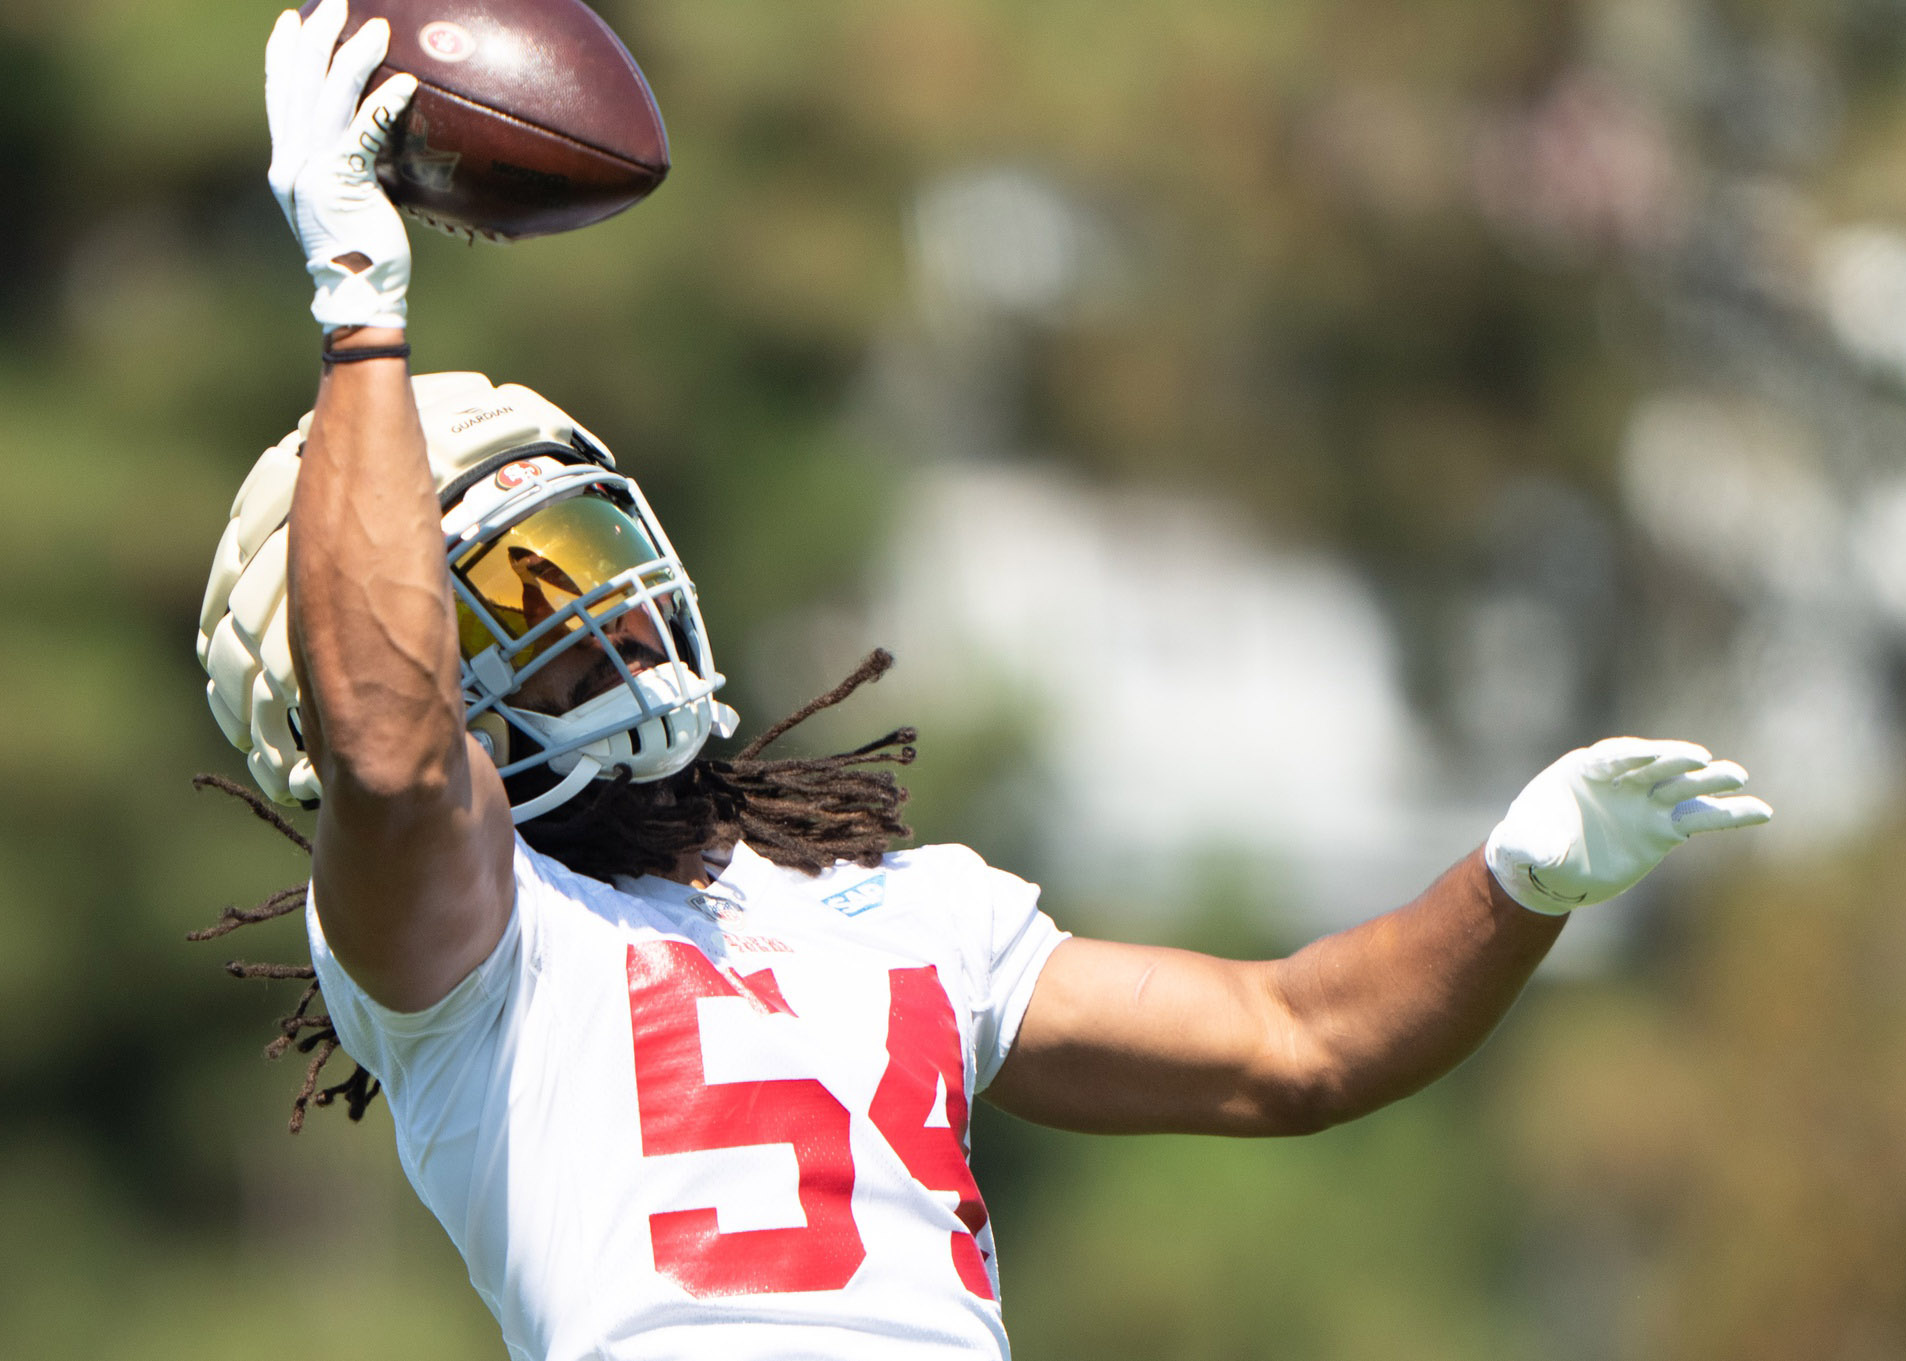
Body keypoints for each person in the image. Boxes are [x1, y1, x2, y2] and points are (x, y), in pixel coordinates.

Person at [195, 7, 1774, 1358]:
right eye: (522, 588)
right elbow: (398, 760)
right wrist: (359, 304)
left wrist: (1517, 883)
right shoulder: (467, 967)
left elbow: (1295, 1043)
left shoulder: (908, 910)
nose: (599, 609)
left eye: (585, 543)